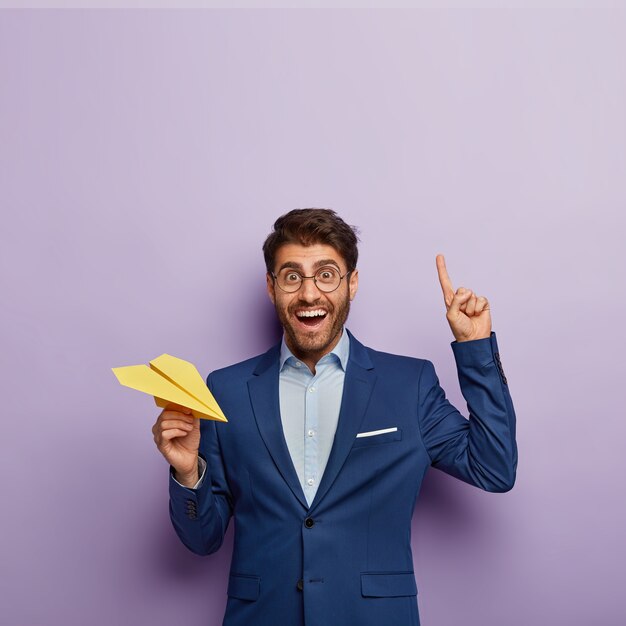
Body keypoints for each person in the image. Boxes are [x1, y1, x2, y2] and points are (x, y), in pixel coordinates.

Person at [152, 208, 517, 626]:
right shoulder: (226, 391)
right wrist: (187, 474)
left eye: (326, 274)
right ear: (271, 288)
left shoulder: (408, 384)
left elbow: (495, 469)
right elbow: (202, 540)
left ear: (352, 283)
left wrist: (476, 351)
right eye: (292, 277)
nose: (309, 294)